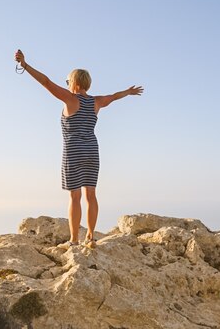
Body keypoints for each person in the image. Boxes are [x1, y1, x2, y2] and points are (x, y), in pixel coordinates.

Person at [14, 50, 143, 249]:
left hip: (73, 152)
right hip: (92, 151)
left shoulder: (70, 99)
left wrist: (25, 65)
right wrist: (128, 92)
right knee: (91, 195)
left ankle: (74, 240)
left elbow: (46, 82)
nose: (66, 85)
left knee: (75, 197)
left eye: (67, 82)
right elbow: (114, 96)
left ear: (74, 83)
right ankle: (90, 237)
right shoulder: (97, 102)